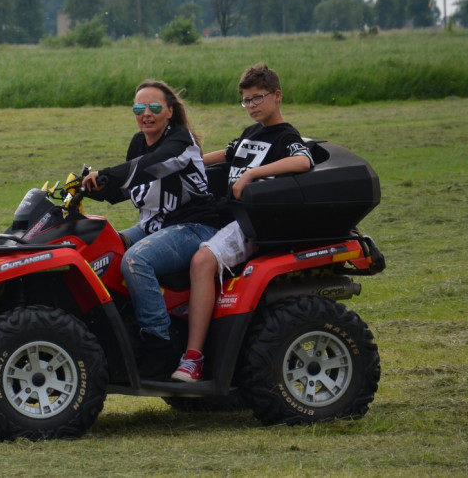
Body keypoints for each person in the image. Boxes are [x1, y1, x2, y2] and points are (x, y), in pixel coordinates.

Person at [171, 63, 313, 383]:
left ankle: (193, 357)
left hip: (251, 223)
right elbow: (228, 153)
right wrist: (185, 163)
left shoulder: (284, 135)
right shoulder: (252, 133)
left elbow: (304, 160)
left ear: (277, 96)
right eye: (246, 100)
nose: (251, 106)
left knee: (202, 261)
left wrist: (251, 174)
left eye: (257, 98)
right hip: (226, 215)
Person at [82, 80, 221, 376]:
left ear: (170, 112)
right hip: (153, 225)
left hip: (194, 226)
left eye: (155, 107)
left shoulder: (180, 142)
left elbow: (149, 166)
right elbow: (128, 186)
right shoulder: (138, 142)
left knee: (136, 260)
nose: (147, 113)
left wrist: (106, 175)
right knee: (104, 248)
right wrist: (88, 188)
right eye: (139, 108)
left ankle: (159, 341)